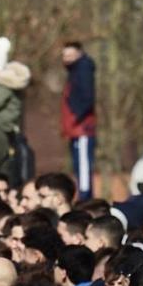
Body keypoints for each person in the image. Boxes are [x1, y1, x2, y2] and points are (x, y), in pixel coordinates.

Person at [60, 42, 97, 199]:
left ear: (79, 53)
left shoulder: (82, 70)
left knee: (83, 167)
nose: (66, 58)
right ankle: (84, 195)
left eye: (70, 54)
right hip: (75, 128)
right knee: (78, 166)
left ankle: (85, 197)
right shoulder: (74, 71)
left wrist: (76, 117)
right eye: (64, 55)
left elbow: (87, 97)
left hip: (81, 128)